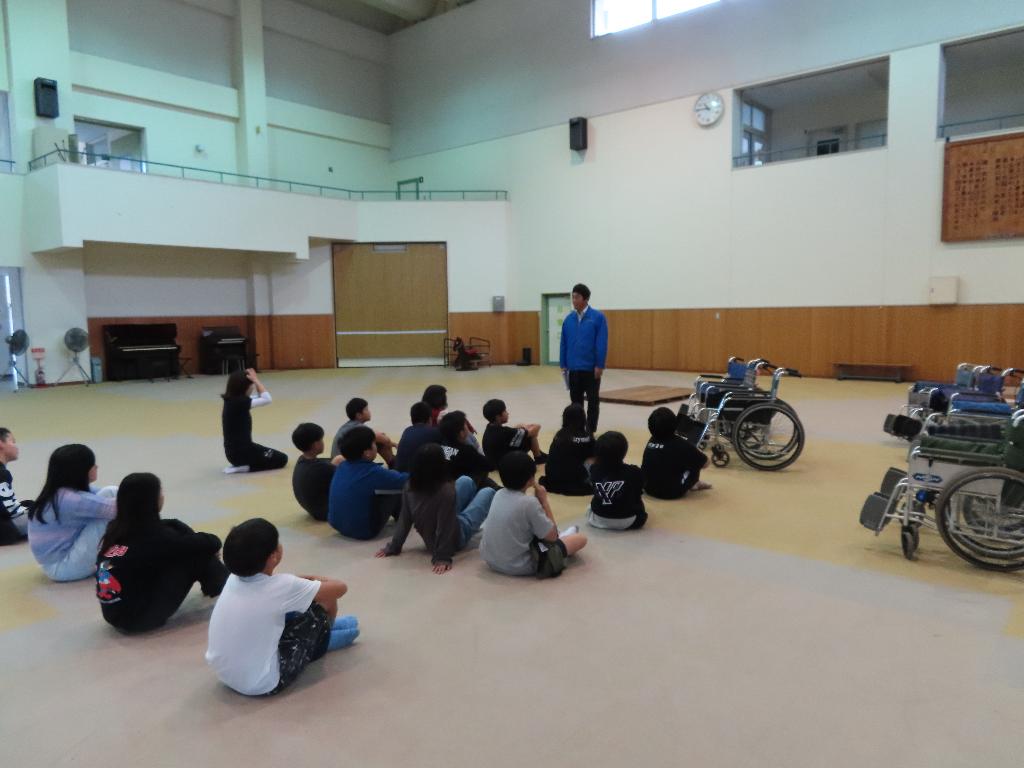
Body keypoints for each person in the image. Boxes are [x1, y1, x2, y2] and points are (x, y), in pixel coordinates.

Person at [206, 518, 357, 696]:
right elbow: (340, 588)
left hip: (225, 674)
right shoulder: (283, 586)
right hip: (263, 683)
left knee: (294, 606)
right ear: (273, 556)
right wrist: (312, 579)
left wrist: (301, 583)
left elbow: (280, 591)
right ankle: (324, 639)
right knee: (323, 602)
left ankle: (325, 633)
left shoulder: (234, 579)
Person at [95, 473, 229, 633]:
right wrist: (203, 546)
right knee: (197, 555)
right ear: (152, 501)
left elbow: (170, 536)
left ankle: (216, 583)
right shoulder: (156, 537)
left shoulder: (116, 529)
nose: (163, 496)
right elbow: (212, 541)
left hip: (113, 614)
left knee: (184, 542)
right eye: (160, 492)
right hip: (138, 620)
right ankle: (226, 588)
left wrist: (178, 526)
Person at [376, 444, 496, 573]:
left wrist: (395, 546)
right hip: (454, 538)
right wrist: (442, 557)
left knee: (465, 480)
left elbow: (404, 519)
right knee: (488, 492)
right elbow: (445, 527)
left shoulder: (409, 486)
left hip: (435, 534)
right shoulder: (445, 490)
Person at [481, 452, 587, 578]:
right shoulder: (529, 503)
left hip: (490, 559)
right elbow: (552, 537)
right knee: (580, 539)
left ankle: (564, 536)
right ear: (531, 480)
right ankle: (565, 537)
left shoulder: (498, 494)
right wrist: (544, 501)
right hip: (519, 565)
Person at [28, 444, 118, 581]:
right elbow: (120, 507)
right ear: (81, 470)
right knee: (110, 513)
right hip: (63, 568)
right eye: (92, 464)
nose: (96, 467)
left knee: (110, 492)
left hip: (56, 564)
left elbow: (108, 497)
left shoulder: (61, 493)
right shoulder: (70, 500)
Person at [328, 426, 409, 540]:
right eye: (374, 443)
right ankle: (404, 517)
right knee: (397, 489)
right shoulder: (372, 472)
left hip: (336, 524)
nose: (376, 446)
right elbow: (406, 480)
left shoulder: (342, 466)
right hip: (364, 531)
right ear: (367, 453)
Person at [559, 282, 608, 434]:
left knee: (593, 401)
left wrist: (600, 365)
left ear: (585, 299)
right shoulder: (568, 319)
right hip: (573, 368)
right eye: (572, 297)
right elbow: (563, 343)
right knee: (575, 402)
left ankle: (590, 430)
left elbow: (601, 342)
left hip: (591, 368)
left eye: (577, 297)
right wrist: (563, 363)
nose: (574, 300)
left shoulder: (598, 317)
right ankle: (577, 429)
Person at [221, 368, 288, 474]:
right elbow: (267, 399)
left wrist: (254, 380)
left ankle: (243, 465)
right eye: (251, 384)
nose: (252, 387)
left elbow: (260, 396)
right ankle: (245, 467)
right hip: (243, 453)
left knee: (272, 455)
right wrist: (256, 380)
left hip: (234, 453)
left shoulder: (232, 400)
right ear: (245, 386)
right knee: (282, 459)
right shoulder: (240, 402)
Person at [641, 407, 712, 499]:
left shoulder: (651, 440)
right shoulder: (681, 444)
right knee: (694, 461)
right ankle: (694, 483)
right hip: (672, 492)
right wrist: (696, 450)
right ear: (675, 424)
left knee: (665, 459)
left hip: (648, 487)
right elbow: (706, 463)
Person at [586, 431, 647, 530]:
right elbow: (639, 491)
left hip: (597, 518)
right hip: (629, 520)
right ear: (624, 452)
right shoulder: (634, 472)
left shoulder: (594, 470)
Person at [539, 404, 595, 496]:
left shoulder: (560, 434)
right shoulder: (586, 436)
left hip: (553, 479)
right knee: (597, 456)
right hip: (575, 481)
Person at [291, 423, 341, 522]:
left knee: (338, 460)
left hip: (312, 507)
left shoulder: (302, 460)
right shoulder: (320, 469)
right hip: (324, 512)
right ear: (315, 444)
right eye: (321, 439)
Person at [481, 398, 547, 468]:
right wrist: (527, 427)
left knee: (521, 429)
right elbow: (536, 428)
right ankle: (538, 457)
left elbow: (509, 432)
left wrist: (522, 427)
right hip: (506, 464)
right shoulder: (505, 432)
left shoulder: (489, 429)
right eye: (505, 411)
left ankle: (539, 453)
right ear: (498, 416)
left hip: (494, 462)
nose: (508, 413)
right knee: (529, 436)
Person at [439, 411, 497, 488]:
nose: (467, 427)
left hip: (451, 483)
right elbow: (489, 465)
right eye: (465, 425)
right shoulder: (466, 451)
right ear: (461, 433)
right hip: (468, 485)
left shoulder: (444, 446)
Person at [330, 397, 396, 466]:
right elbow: (385, 439)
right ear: (359, 415)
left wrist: (390, 442)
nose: (369, 412)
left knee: (374, 441)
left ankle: (393, 463)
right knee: (379, 443)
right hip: (346, 465)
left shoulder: (349, 426)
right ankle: (393, 464)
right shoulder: (358, 428)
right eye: (366, 409)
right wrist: (392, 445)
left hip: (339, 463)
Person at [422, 384, 482, 452]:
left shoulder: (425, 410)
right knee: (468, 440)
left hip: (439, 446)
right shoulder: (437, 414)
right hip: (442, 446)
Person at [0, 428, 31, 545]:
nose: (16, 447)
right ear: (1, 443)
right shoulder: (2, 474)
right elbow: (10, 510)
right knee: (46, 513)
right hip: (4, 531)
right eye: (12, 441)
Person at [394, 402, 443, 472]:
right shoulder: (435, 432)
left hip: (400, 474)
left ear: (412, 420)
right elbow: (450, 454)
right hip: (418, 477)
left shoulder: (407, 431)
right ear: (430, 419)